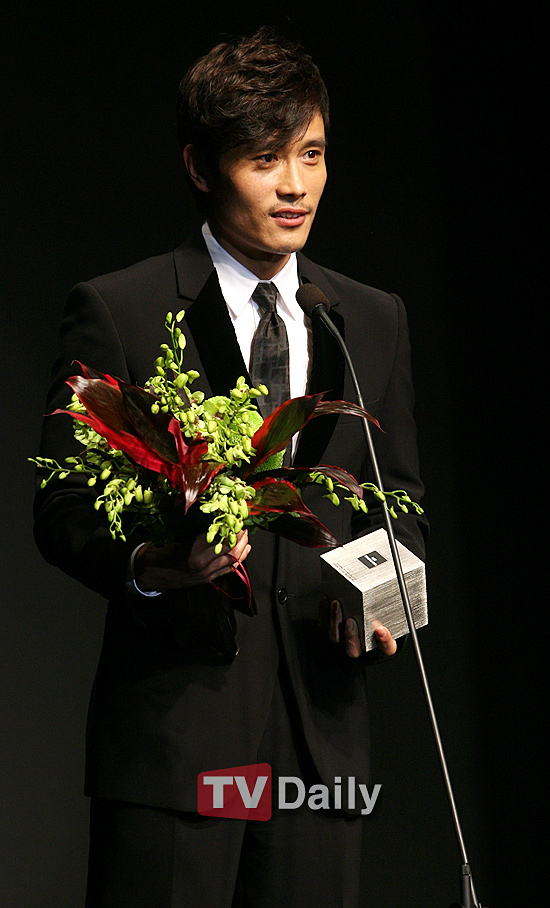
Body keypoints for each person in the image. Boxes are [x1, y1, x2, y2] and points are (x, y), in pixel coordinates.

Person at [34, 27, 428, 908]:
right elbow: (62, 505)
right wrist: (156, 564)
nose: (296, 185)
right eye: (264, 159)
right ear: (201, 167)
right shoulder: (123, 309)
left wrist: (381, 598)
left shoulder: (371, 318)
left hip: (320, 747)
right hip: (177, 741)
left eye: (312, 154)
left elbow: (399, 500)